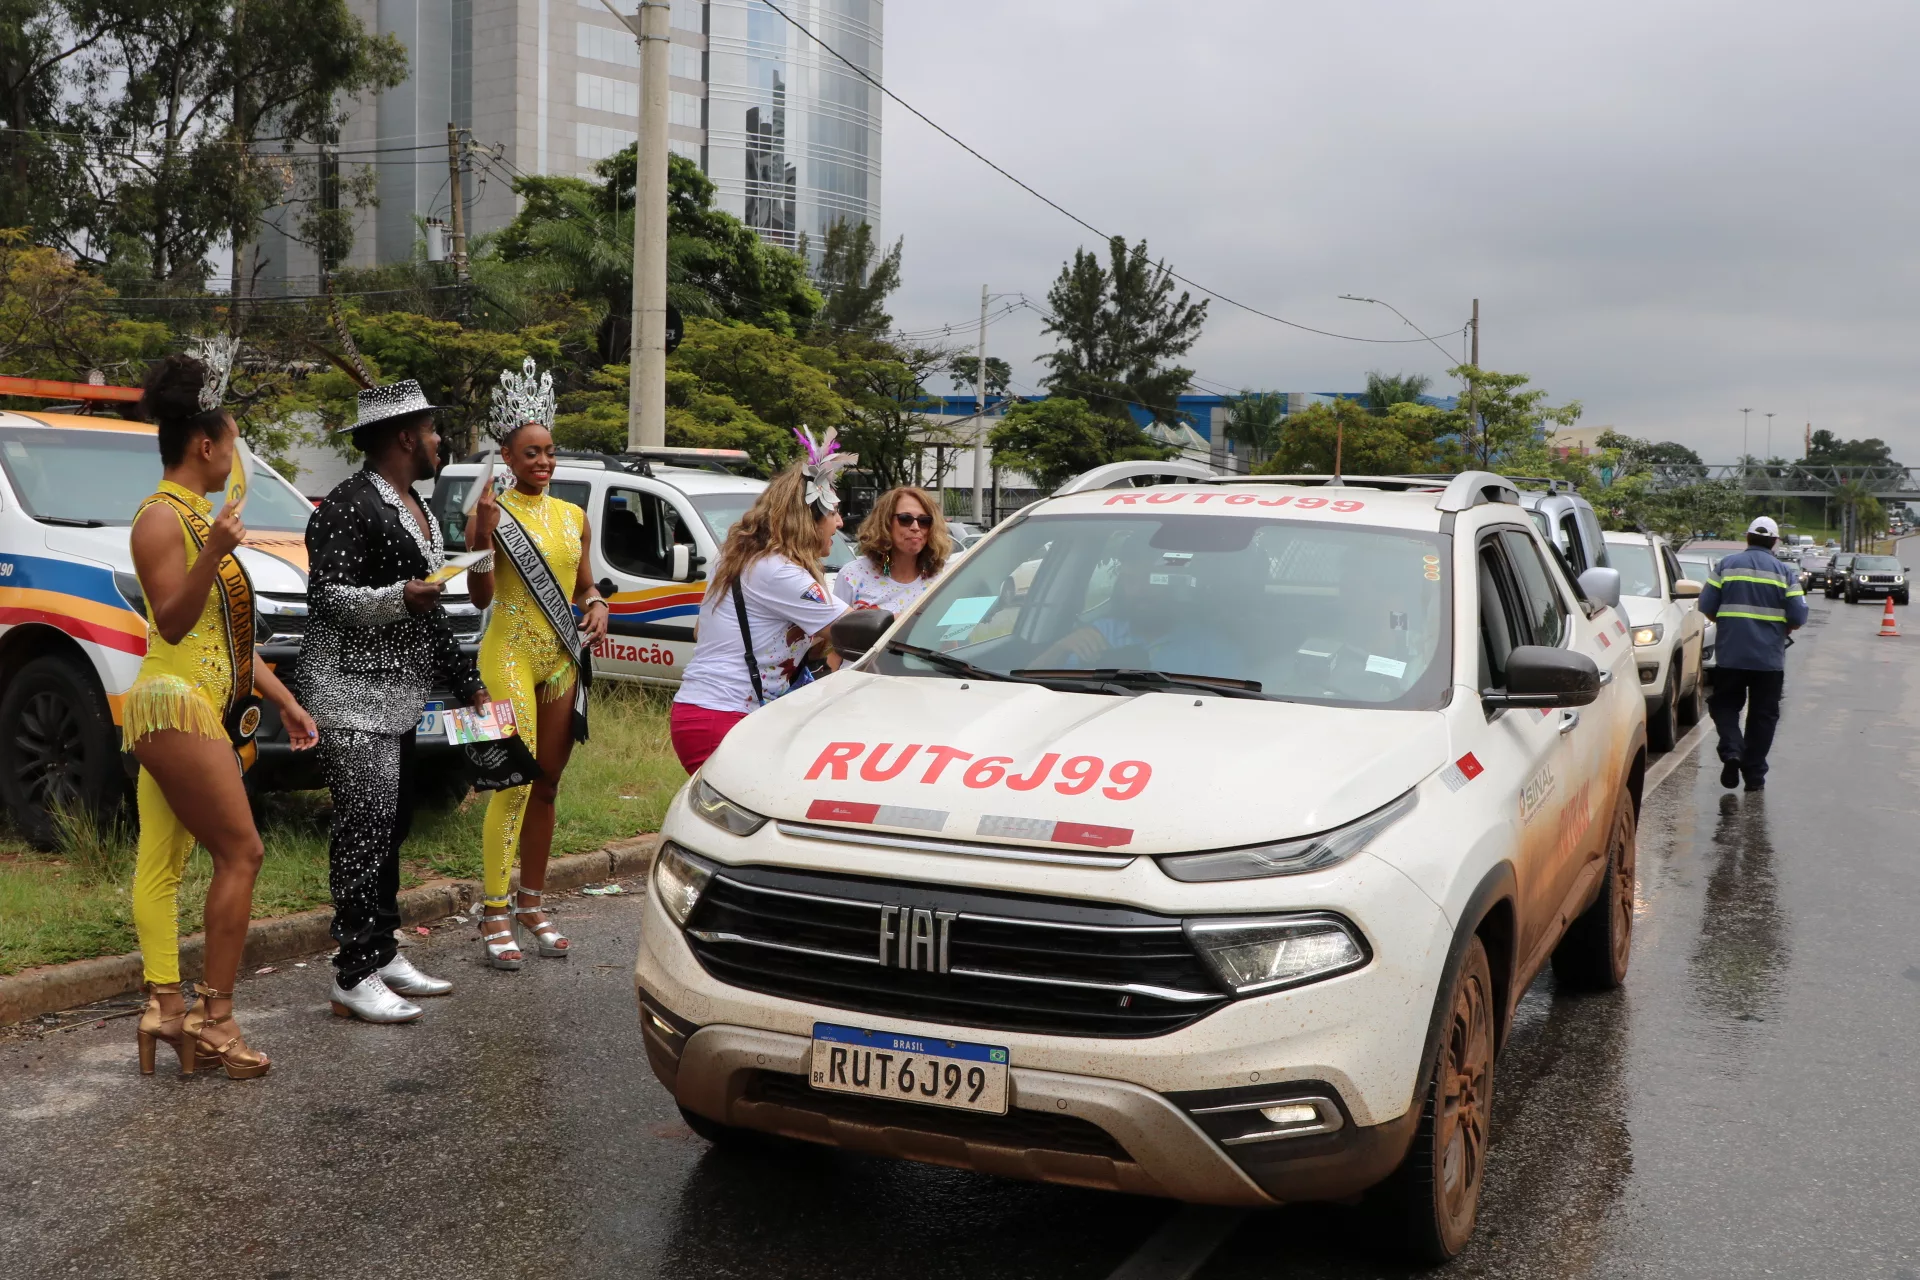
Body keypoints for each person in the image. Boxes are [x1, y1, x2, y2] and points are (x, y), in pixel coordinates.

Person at [127, 347, 319, 1080]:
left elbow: (228, 638)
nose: (235, 457)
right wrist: (213, 552)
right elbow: (174, 625)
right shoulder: (160, 520)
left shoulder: (199, 519)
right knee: (243, 853)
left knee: (161, 861)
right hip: (174, 703)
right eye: (233, 443)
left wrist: (285, 699)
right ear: (204, 446)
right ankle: (217, 1019)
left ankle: (165, 1009)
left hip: (201, 703)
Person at [302, 380, 490, 1022]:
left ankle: (381, 951)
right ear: (406, 437)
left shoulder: (419, 508)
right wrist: (397, 598)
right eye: (433, 430)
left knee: (393, 825)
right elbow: (327, 598)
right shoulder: (346, 507)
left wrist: (466, 682)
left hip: (401, 697)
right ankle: (352, 973)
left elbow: (429, 608)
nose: (440, 441)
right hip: (350, 694)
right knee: (363, 829)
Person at [462, 359, 609, 969]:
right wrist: (482, 537)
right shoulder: (490, 513)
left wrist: (597, 604)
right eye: (531, 453)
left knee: (547, 784)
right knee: (512, 781)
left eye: (549, 452)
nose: (543, 462)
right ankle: (494, 911)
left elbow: (583, 584)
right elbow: (479, 598)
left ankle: (532, 904)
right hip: (508, 656)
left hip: (560, 661)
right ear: (506, 456)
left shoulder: (575, 517)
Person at [669, 428, 856, 772]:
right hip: (724, 716)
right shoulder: (778, 571)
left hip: (714, 713)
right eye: (834, 513)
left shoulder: (746, 559)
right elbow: (855, 630)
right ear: (809, 520)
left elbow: (701, 631)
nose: (840, 522)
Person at [1698, 515, 1808, 792]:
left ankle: (1732, 750)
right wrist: (1785, 627)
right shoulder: (1785, 573)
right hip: (1768, 660)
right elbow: (1798, 616)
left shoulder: (1726, 566)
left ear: (1747, 538)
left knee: (1724, 705)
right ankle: (1754, 776)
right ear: (1774, 542)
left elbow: (1706, 605)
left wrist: (1727, 623)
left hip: (1731, 655)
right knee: (1763, 716)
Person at [833, 485, 950, 613]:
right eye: (905, 519)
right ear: (885, 523)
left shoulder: (944, 578)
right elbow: (837, 625)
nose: (915, 527)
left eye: (924, 521)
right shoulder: (852, 576)